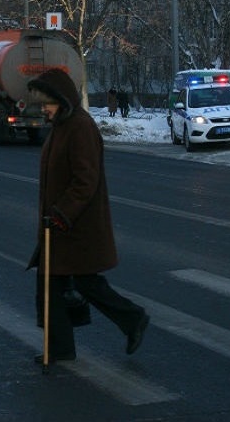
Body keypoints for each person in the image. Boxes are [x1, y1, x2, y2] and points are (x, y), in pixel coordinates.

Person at [27, 68, 149, 363]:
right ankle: (60, 348)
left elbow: (86, 180)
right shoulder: (62, 126)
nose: (43, 109)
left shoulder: (80, 127)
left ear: (62, 100)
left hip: (77, 225)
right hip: (60, 225)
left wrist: (62, 214)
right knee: (52, 284)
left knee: (86, 283)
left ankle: (133, 319)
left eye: (47, 103)